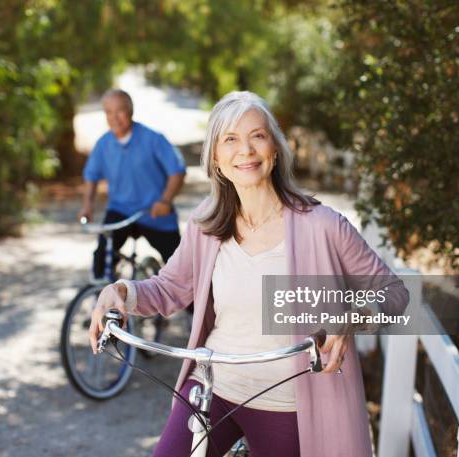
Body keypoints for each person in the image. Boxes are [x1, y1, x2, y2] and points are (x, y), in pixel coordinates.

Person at [89, 91, 409, 457]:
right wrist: (121, 291)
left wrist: (352, 317)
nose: (246, 150)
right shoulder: (206, 224)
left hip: (287, 401)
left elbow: (393, 292)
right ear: (216, 158)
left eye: (257, 135)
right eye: (230, 139)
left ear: (274, 149)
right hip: (213, 387)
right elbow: (169, 288)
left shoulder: (323, 225)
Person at [78, 89, 186, 278]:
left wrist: (166, 201)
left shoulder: (153, 139)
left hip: (154, 211)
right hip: (120, 211)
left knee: (182, 271)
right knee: (101, 260)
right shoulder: (103, 144)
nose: (115, 117)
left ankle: (197, 306)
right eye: (109, 112)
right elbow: (91, 176)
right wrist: (87, 206)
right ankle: (103, 302)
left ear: (131, 110)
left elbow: (177, 171)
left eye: (120, 111)